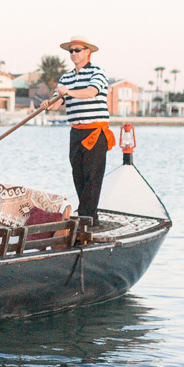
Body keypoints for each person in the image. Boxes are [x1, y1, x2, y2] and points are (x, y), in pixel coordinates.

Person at [48, 33, 113, 226]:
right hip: (76, 131)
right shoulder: (66, 77)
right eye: (71, 51)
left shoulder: (97, 73)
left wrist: (67, 92)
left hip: (95, 131)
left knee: (92, 176)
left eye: (77, 50)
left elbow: (91, 92)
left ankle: (86, 217)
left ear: (87, 52)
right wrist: (48, 103)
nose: (73, 54)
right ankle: (89, 217)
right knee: (78, 175)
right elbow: (56, 101)